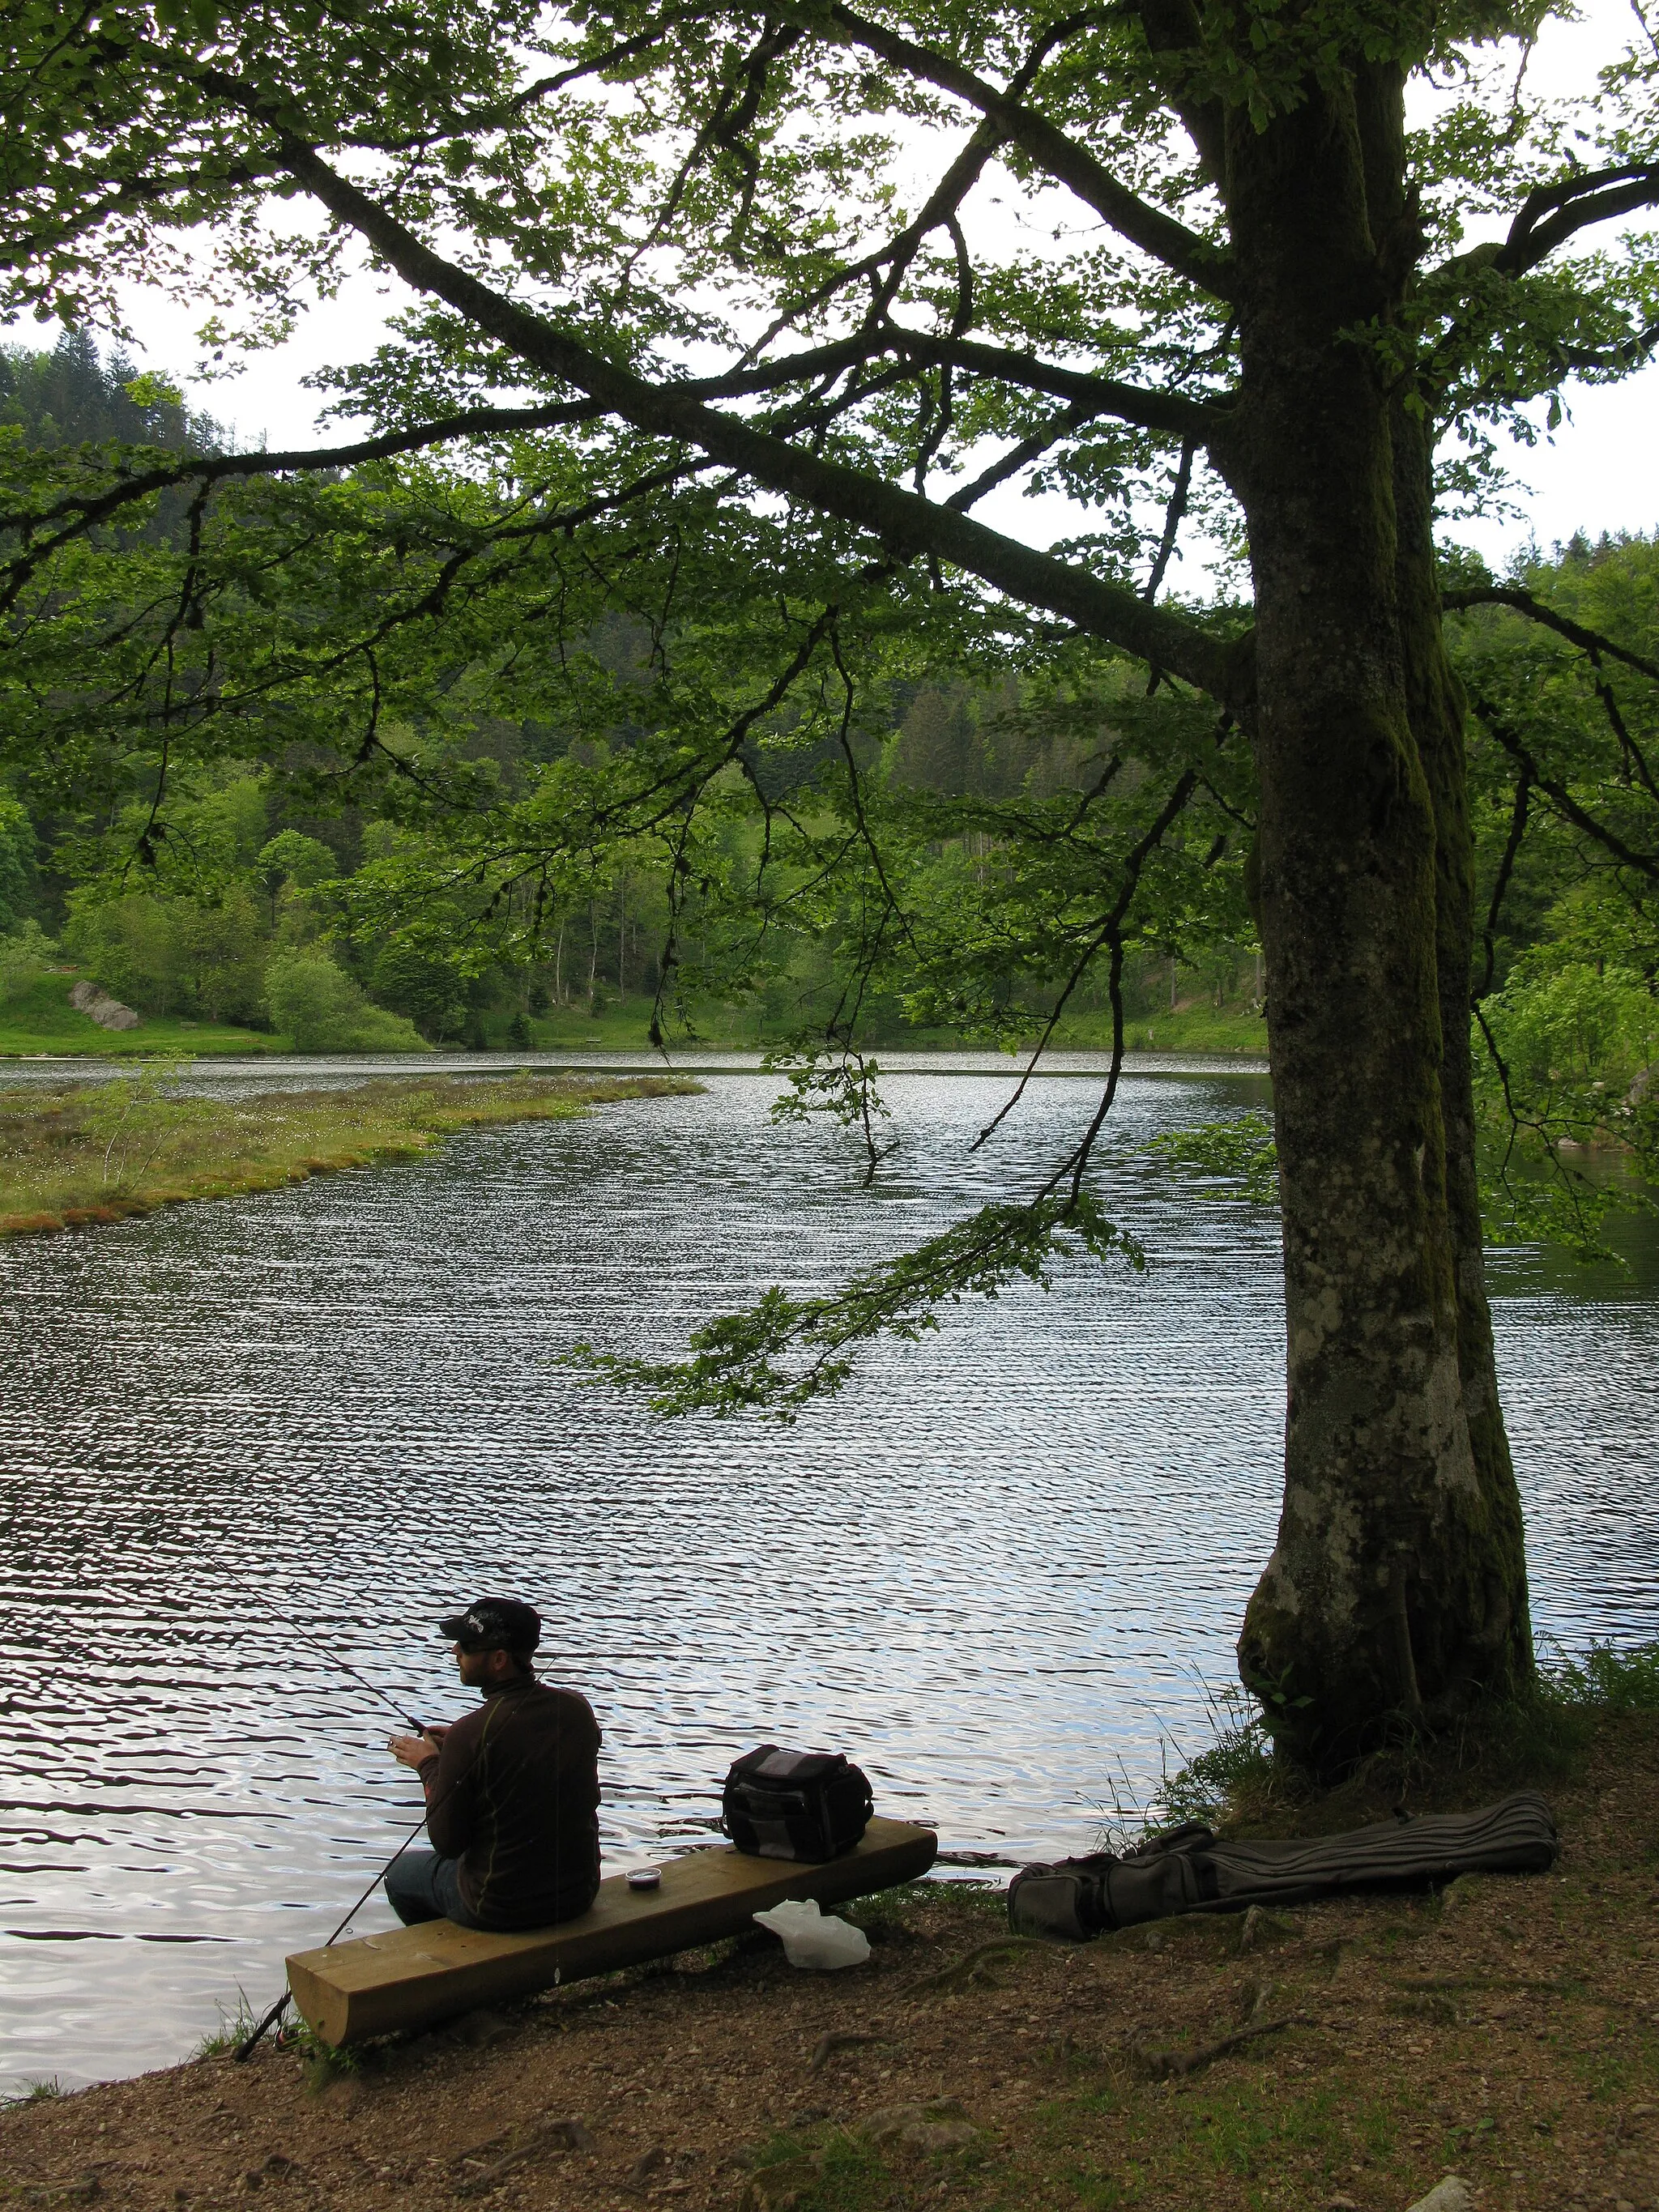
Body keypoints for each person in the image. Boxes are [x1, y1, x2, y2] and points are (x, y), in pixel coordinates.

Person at [383, 1596, 602, 1932]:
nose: (456, 1651)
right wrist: (460, 1740)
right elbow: (531, 1748)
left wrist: (428, 1765)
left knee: (400, 1876)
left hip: (502, 1907)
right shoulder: (575, 1708)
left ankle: (454, 1963)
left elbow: (446, 1843)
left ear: (499, 1659)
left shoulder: (471, 1737)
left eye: (467, 1646)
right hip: (578, 1893)